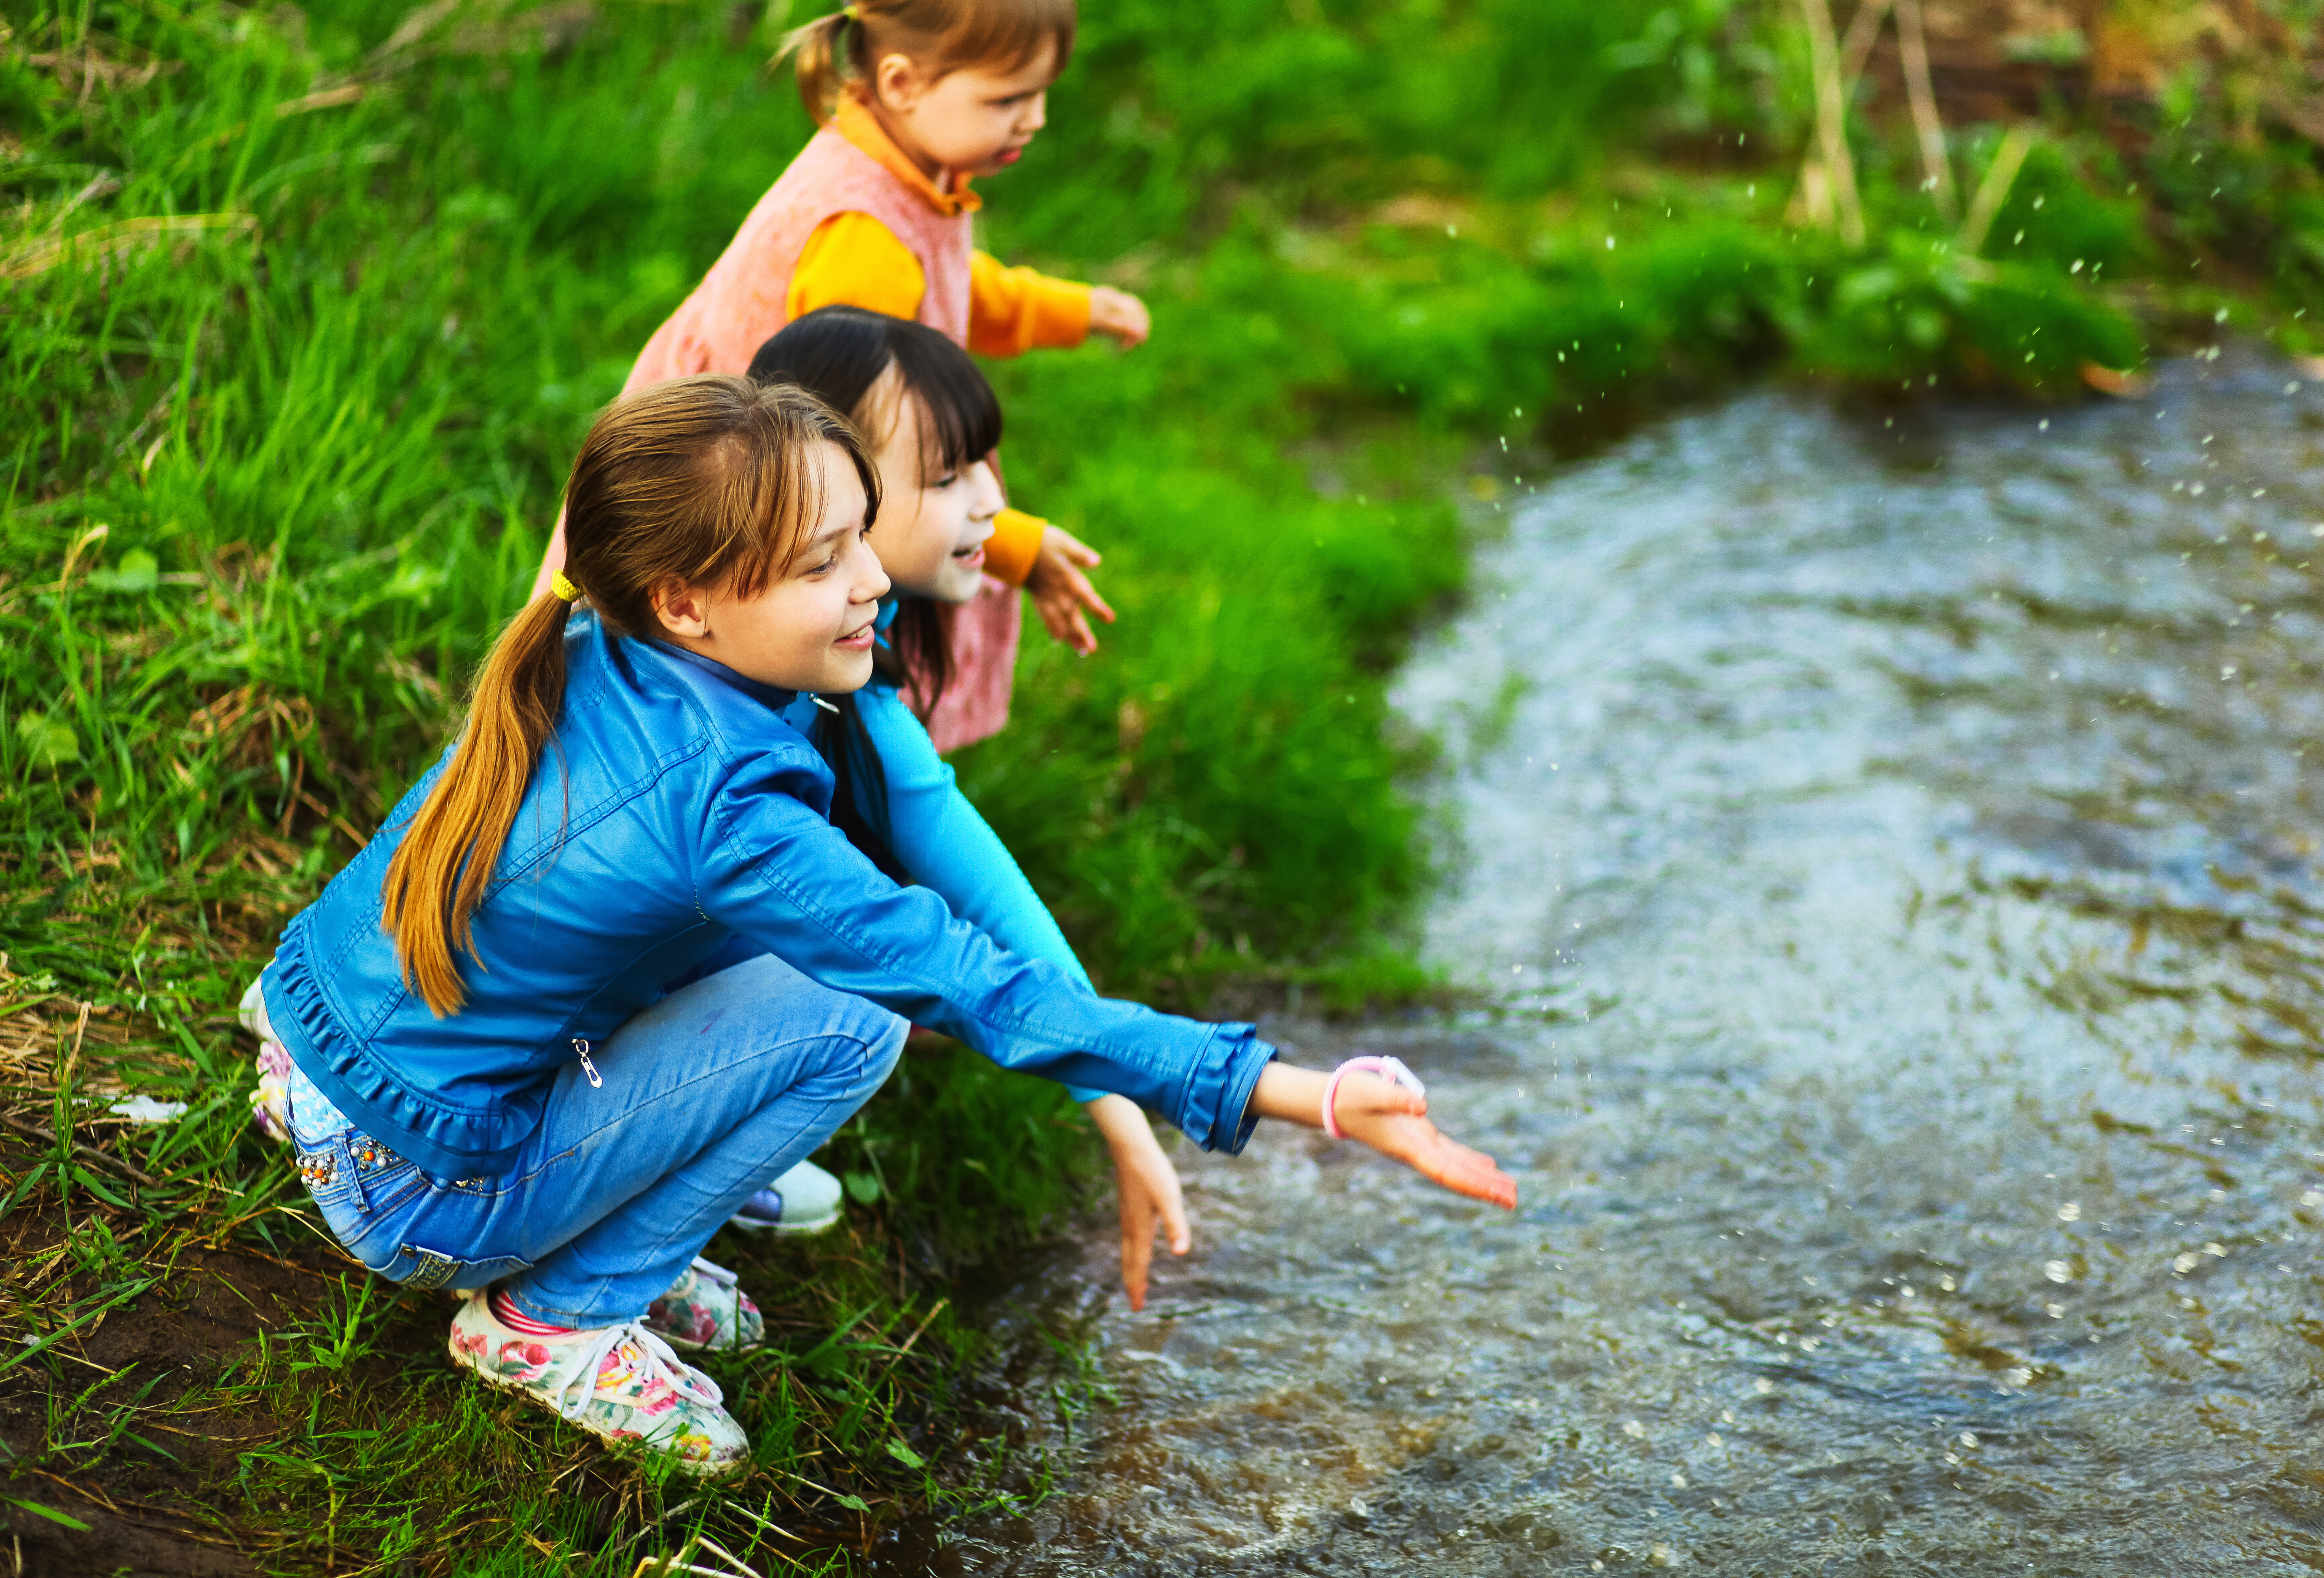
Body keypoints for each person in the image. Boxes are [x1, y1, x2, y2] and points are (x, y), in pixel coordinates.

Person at [254, 376, 1516, 1474]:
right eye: (821, 565)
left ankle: (604, 1225)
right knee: (856, 1012)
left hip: (326, 1057)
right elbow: (975, 987)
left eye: (862, 538)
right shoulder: (729, 804)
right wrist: (1303, 1094)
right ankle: (555, 1314)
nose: (872, 586)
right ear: (687, 601)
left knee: (783, 953)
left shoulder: (594, 643)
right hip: (418, 1190)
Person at [710, 306, 1181, 1308]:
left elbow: (1000, 909)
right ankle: (677, 1175)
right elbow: (997, 923)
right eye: (948, 477)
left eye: (986, 469)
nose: (991, 505)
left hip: (462, 1028)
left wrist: (1124, 1113)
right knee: (863, 1002)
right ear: (827, 494)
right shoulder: (746, 706)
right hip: (509, 1080)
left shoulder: (815, 688)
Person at [529, 0, 1140, 751]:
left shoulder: (903, 168)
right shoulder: (865, 245)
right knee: (743, 703)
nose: (1036, 118)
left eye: (1042, 94)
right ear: (903, 81)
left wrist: (1074, 311)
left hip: (800, 484)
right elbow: (870, 467)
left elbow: (952, 280)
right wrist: (1007, 545)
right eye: (1008, 98)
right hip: (745, 507)